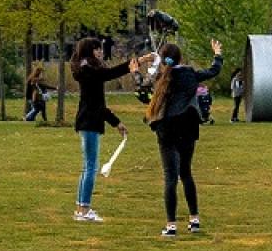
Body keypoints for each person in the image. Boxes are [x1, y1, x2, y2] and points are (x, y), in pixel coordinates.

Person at [146, 37, 224, 238]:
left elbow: (144, 91)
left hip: (167, 128)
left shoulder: (161, 77)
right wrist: (217, 54)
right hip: (188, 126)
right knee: (186, 173)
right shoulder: (189, 74)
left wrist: (141, 68)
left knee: (170, 177)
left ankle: (171, 225)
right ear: (180, 58)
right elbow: (213, 71)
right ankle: (194, 220)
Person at [72, 37, 147, 224]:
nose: (100, 52)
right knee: (91, 167)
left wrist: (116, 123)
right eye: (96, 49)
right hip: (89, 122)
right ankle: (84, 210)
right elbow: (111, 74)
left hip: (88, 121)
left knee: (88, 166)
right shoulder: (89, 70)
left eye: (100, 49)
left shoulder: (88, 69)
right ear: (88, 51)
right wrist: (138, 62)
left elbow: (99, 103)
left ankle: (81, 209)